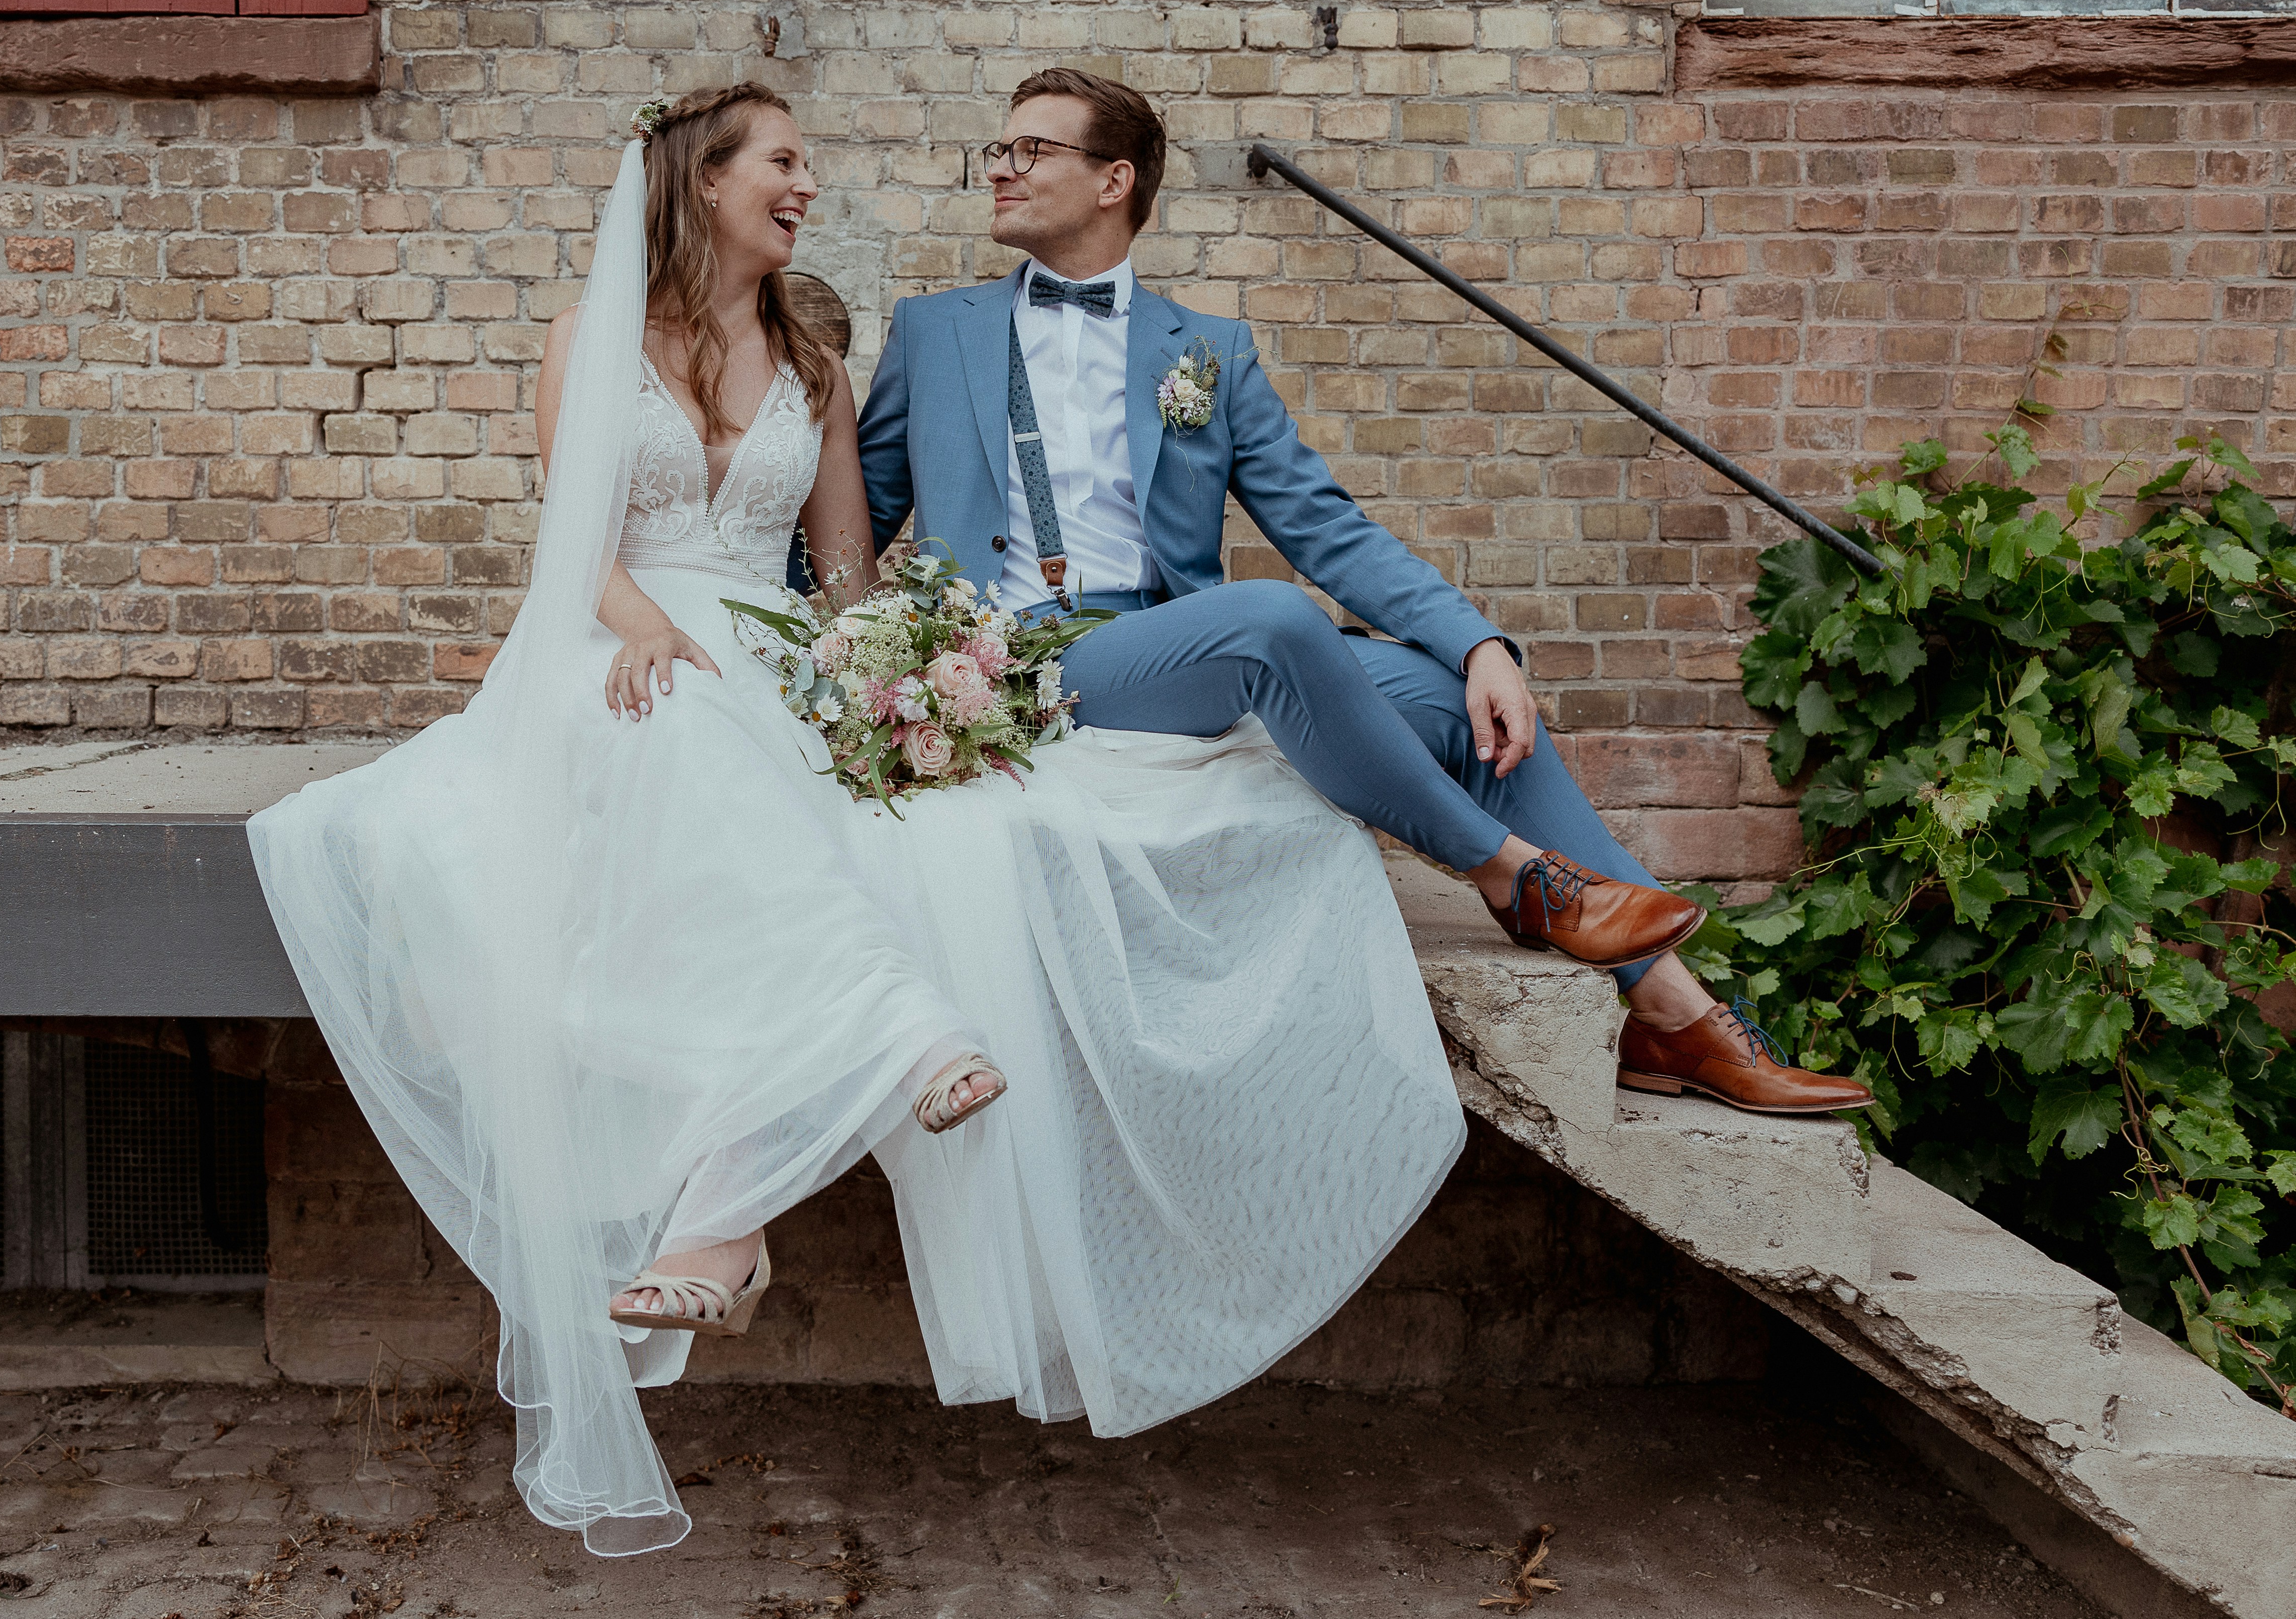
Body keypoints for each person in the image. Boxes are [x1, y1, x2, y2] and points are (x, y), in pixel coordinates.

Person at [246, 85, 1467, 1557]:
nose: (807, 185)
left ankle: (729, 1207)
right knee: (678, 746)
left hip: (768, 655)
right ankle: (893, 1050)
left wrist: (913, 679)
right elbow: (571, 547)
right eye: (783, 162)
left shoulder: (815, 364)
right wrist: (642, 635)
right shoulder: (592, 342)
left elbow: (842, 575)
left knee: (883, 819)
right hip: (612, 639)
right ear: (705, 185)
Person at [852, 68, 1875, 1119]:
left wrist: (1479, 645)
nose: (1000, 168)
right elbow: (857, 514)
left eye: (1032, 150)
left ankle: (1674, 1015)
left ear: (1115, 180)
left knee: (1455, 701)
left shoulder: (1206, 349)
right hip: (1030, 658)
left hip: (1175, 638)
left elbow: (1322, 524)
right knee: (1272, 617)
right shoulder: (936, 332)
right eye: (1000, 148)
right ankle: (1509, 874)